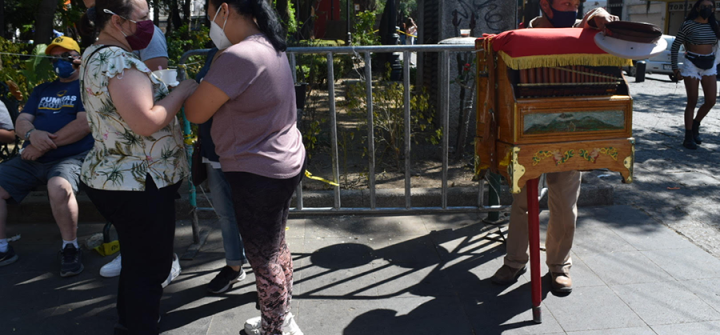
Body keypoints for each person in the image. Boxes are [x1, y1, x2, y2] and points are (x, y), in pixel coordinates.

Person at [184, 1, 305, 334]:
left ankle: (274, 330)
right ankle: (280, 320)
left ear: (223, 9)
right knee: (276, 247)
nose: (208, 20)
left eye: (207, 11)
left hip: (257, 171)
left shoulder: (238, 56)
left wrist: (187, 87)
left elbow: (195, 112)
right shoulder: (269, 45)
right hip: (282, 161)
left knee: (263, 259)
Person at [79, 0, 196, 333]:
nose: (150, 24)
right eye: (143, 18)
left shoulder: (95, 53)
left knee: (137, 261)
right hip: (138, 182)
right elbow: (146, 122)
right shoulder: (119, 61)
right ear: (118, 20)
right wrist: (183, 90)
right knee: (150, 267)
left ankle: (128, 322)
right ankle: (140, 325)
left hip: (118, 177)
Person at [489, 0, 617, 295]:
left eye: (575, 2)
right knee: (522, 202)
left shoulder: (583, 31)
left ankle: (559, 266)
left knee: (564, 203)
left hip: (570, 130)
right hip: (529, 128)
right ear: (545, 4)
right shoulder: (524, 33)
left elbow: (594, 19)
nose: (570, 6)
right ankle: (515, 261)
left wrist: (599, 16)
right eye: (564, 1)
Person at [0, 37, 93, 274]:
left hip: (70, 157)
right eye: (54, 57)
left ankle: (70, 247)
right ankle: (2, 247)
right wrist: (31, 134)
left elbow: (83, 125)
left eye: (64, 57)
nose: (58, 62)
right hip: (32, 158)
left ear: (77, 59)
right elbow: (21, 121)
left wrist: (39, 145)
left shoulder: (87, 87)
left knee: (59, 188)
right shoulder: (42, 89)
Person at [195, 47, 249, 294]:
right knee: (226, 215)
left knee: (255, 216)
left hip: (245, 154)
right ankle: (235, 266)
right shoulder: (213, 52)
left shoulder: (252, 54)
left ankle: (267, 275)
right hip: (213, 150)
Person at [671, 0, 720, 150]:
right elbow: (675, 46)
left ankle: (696, 125)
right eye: (704, 6)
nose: (707, 9)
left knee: (711, 100)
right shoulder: (688, 24)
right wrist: (675, 69)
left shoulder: (715, 25)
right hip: (691, 63)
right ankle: (688, 136)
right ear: (698, 8)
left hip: (709, 64)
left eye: (710, 7)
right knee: (692, 100)